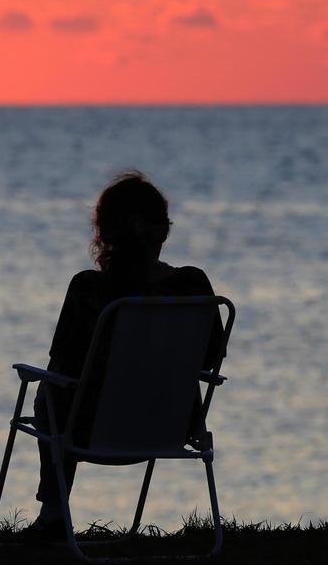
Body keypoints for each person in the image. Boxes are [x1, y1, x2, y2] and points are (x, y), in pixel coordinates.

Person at [24, 170, 225, 537]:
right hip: (170, 426)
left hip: (91, 428)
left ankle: (54, 515)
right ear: (163, 231)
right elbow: (210, 359)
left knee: (50, 391)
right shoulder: (193, 285)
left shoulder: (88, 289)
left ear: (105, 234)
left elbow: (65, 362)